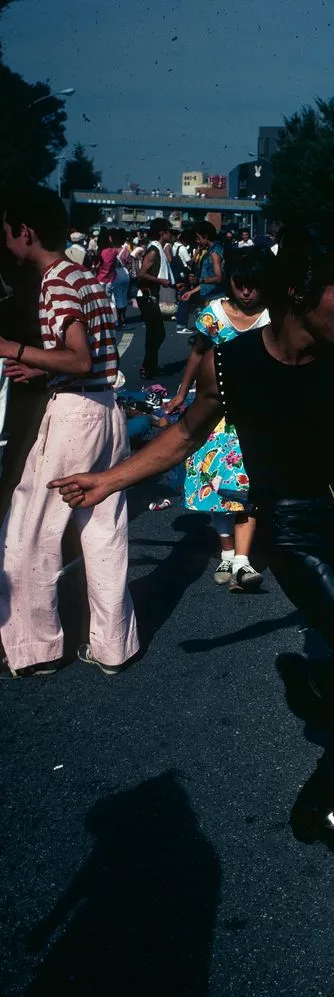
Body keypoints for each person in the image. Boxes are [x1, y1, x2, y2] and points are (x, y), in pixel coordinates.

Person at [49, 216, 334, 862]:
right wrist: (109, 481)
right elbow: (184, 437)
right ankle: (321, 803)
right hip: (296, 533)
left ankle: (318, 687)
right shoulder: (232, 365)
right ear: (299, 292)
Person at [0, 186, 138, 677]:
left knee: (30, 532)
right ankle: (112, 647)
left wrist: (15, 350)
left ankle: (35, 649)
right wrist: (44, 367)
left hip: (73, 418)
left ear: (25, 232)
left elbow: (77, 357)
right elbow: (93, 358)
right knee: (104, 532)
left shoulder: (55, 281)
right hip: (106, 410)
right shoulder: (87, 277)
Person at [166, 249, 272, 591]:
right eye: (241, 285)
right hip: (214, 410)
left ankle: (242, 560)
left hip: (257, 411)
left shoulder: (274, 317)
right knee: (216, 479)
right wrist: (182, 392)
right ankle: (228, 552)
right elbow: (197, 353)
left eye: (254, 286)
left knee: (248, 480)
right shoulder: (213, 314)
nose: (247, 293)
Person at [137, 218, 174, 378]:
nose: (171, 235)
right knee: (157, 333)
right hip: (146, 297)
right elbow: (142, 274)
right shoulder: (153, 250)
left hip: (153, 296)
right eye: (169, 231)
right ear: (162, 233)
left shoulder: (159, 249)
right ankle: (147, 366)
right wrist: (160, 281)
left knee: (156, 333)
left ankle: (150, 366)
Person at [180, 222, 225, 309]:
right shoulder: (211, 251)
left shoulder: (214, 253)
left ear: (205, 236)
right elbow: (209, 279)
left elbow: (218, 278)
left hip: (215, 300)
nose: (197, 241)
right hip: (211, 298)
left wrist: (198, 280)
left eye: (198, 238)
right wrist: (191, 292)